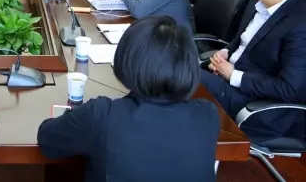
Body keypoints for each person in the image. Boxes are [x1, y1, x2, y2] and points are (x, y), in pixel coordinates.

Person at [37, 16, 220, 182]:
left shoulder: (101, 115)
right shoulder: (208, 115)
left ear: (127, 59)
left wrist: (78, 116)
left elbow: (47, 139)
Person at [200, 0, 306, 142]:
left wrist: (234, 75)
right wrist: (225, 52)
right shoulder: (260, 1)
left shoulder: (300, 24)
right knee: (174, 63)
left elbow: (290, 89)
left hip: (256, 103)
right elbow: (243, 40)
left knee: (179, 76)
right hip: (229, 79)